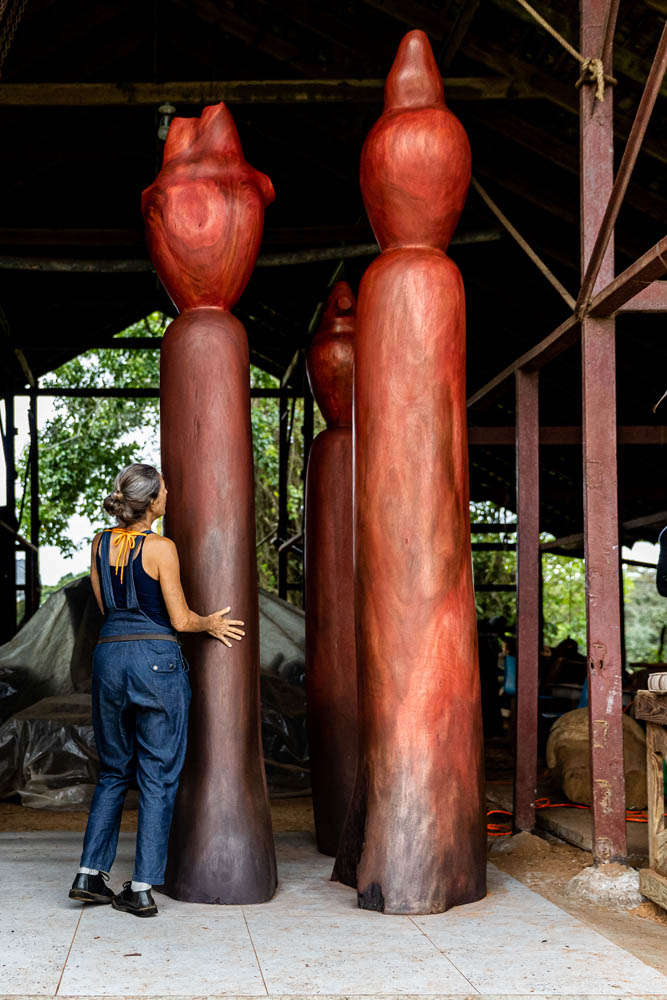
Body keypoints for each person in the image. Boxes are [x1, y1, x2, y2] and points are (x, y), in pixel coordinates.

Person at [69, 463, 245, 917]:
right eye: (164, 488)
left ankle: (89, 873)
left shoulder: (99, 543)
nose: (168, 493)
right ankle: (141, 886)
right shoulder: (162, 548)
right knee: (158, 775)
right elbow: (182, 620)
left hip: (110, 658)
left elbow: (108, 605)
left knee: (112, 771)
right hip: (157, 664)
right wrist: (212, 623)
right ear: (151, 502)